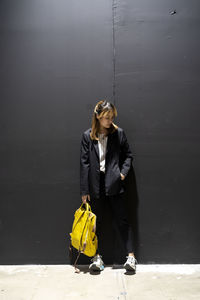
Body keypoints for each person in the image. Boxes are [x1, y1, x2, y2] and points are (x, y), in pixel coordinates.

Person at [80, 100, 137, 271]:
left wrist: (122, 174)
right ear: (97, 116)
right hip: (95, 185)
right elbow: (84, 164)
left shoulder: (119, 133)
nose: (109, 121)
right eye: (105, 117)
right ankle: (96, 258)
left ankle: (131, 258)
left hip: (114, 183)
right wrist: (84, 190)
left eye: (111, 117)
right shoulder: (87, 136)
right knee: (95, 223)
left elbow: (128, 155)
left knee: (123, 220)